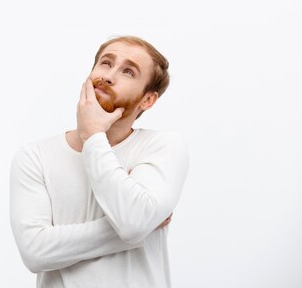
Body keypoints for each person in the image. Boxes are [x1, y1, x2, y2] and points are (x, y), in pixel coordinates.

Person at [10, 36, 189, 288]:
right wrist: (140, 228)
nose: (109, 76)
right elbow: (35, 252)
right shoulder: (34, 156)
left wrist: (93, 135)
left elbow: (133, 223)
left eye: (128, 71)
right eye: (106, 63)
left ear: (148, 99)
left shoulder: (162, 147)